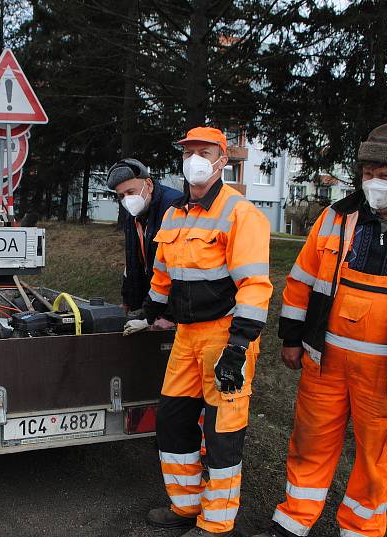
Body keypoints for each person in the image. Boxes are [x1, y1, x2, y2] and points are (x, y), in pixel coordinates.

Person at [253, 123, 387, 537]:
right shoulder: (335, 217)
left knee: (377, 456)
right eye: (367, 173)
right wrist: (291, 339)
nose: (373, 183)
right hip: (325, 363)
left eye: (386, 175)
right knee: (310, 441)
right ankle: (292, 522)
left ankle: (360, 529)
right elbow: (301, 281)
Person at [129, 126, 273, 537]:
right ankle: (186, 506)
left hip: (226, 335)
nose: (195, 158)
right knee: (173, 420)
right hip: (186, 336)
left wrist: (239, 344)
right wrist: (150, 309)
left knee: (222, 432)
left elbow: (255, 285)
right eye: (190, 151)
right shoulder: (174, 213)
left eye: (204, 151)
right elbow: (162, 272)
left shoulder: (241, 213)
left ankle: (216, 523)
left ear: (222, 160)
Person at [107, 158, 182, 315]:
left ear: (148, 185)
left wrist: (170, 315)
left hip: (173, 312)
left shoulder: (173, 207)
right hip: (153, 304)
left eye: (131, 192)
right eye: (121, 196)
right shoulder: (133, 215)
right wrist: (129, 302)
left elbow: (180, 269)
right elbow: (132, 261)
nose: (127, 200)